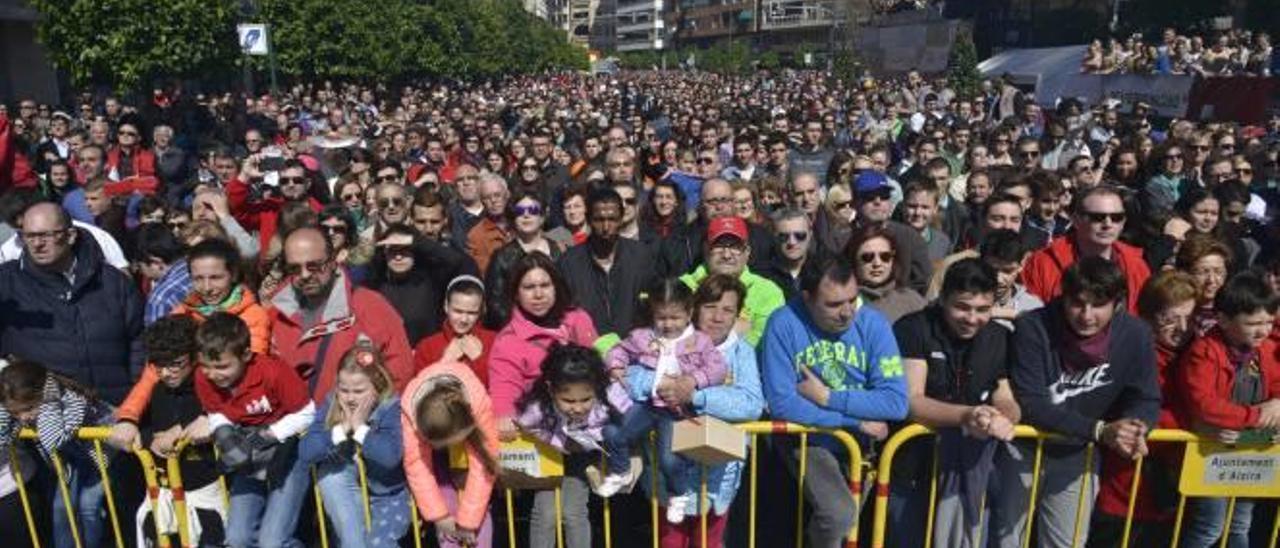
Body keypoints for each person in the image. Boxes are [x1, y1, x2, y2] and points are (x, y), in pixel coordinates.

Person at [993, 257, 1161, 548]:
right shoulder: (1034, 327)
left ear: (1117, 304)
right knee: (1006, 541)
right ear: (1063, 298)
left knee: (1067, 542)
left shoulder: (1136, 334)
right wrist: (1100, 431)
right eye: (1077, 303)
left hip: (1078, 454)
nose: (1086, 315)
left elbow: (1145, 396)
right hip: (1023, 447)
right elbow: (1032, 403)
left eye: (1098, 305)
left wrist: (1135, 427)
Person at [759, 255, 908, 548]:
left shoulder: (873, 324)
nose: (847, 312)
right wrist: (852, 420)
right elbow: (783, 403)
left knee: (845, 529)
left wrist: (827, 397)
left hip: (860, 445)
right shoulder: (784, 323)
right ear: (807, 297)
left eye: (852, 299)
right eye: (833, 304)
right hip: (809, 439)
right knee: (839, 514)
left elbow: (895, 403)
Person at [888, 258, 1020, 548]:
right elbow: (912, 400)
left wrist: (1003, 418)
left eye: (983, 310)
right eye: (962, 307)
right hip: (913, 466)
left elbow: (1006, 397)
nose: (972, 318)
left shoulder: (998, 337)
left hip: (973, 469)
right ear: (943, 298)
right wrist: (968, 415)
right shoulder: (914, 328)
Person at [626, 274, 764, 547]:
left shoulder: (741, 353)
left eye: (728, 310)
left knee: (709, 542)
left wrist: (696, 395)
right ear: (693, 309)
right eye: (710, 307)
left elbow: (751, 403)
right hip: (668, 473)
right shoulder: (661, 339)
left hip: (718, 475)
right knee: (671, 541)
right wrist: (661, 385)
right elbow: (629, 378)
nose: (718, 317)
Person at [600, 279, 728, 521]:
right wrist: (616, 366)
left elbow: (719, 368)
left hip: (675, 411)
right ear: (653, 314)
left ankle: (678, 495)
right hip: (647, 405)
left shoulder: (700, 341)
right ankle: (621, 471)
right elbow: (618, 350)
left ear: (689, 313)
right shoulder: (642, 337)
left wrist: (693, 380)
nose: (668, 324)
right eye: (662, 318)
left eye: (675, 318)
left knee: (669, 461)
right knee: (613, 433)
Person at [1089, 271, 1198, 548]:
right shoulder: (1131, 352)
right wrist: (1193, 420)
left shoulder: (1195, 354)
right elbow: (1129, 413)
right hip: (1125, 489)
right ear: (1149, 317)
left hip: (1171, 488)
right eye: (1170, 318)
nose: (1182, 327)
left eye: (1190, 317)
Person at [0, 202, 143, 404]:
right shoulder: (6, 283)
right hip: (40, 419)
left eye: (46, 235)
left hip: (116, 413)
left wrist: (134, 402)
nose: (37, 244)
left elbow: (139, 340)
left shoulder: (112, 282)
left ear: (70, 235)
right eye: (29, 236)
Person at [1175, 272, 1280, 548]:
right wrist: (1256, 417)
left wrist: (1278, 403)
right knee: (1209, 526)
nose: (1264, 330)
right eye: (1253, 323)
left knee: (1240, 523)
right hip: (1213, 452)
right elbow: (1204, 404)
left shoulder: (1266, 350)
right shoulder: (1204, 351)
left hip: (1252, 450)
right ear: (1223, 320)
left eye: (1269, 321)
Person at [195, 313, 315, 548]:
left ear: (246, 355)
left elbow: (307, 413)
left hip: (288, 450)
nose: (213, 374)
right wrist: (223, 433)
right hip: (247, 453)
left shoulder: (273, 371)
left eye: (222, 366)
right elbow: (216, 410)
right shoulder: (204, 378)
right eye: (206, 366)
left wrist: (266, 436)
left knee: (272, 542)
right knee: (238, 538)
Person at [269, 227, 415, 399]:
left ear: (332, 261)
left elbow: (400, 374)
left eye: (314, 266)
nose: (305, 274)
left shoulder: (371, 307)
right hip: (293, 421)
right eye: (295, 268)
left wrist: (370, 418)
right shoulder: (277, 313)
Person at [515, 343, 633, 548]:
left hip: (584, 459)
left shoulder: (609, 397)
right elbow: (526, 425)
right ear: (551, 389)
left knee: (573, 511)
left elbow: (629, 419)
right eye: (568, 401)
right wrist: (555, 442)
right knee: (544, 513)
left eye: (586, 399)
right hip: (550, 457)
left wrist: (593, 439)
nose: (578, 408)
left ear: (597, 387)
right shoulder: (538, 408)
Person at [299, 343, 410, 548]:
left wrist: (359, 428)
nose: (350, 398)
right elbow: (306, 451)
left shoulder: (390, 407)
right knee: (329, 475)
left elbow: (390, 457)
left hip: (387, 495)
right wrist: (340, 430)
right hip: (350, 491)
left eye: (359, 391)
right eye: (344, 389)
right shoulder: (333, 402)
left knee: (379, 543)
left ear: (376, 385)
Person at [128, 316, 227, 547]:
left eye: (175, 364)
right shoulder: (158, 391)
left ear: (194, 357)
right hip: (165, 492)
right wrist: (149, 439)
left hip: (208, 494)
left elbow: (230, 413)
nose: (165, 372)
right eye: (158, 364)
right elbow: (142, 428)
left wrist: (182, 430)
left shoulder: (212, 387)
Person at [0, 357, 118, 548]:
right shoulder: (26, 407)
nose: (23, 418)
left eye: (27, 409)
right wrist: (6, 411)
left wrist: (50, 401)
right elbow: (2, 437)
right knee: (61, 510)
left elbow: (52, 438)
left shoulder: (68, 400)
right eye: (15, 413)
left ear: (40, 393)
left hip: (101, 459)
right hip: (71, 463)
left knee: (89, 507)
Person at [489, 252, 599, 440]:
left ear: (556, 286)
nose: (538, 294)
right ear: (516, 293)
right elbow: (504, 389)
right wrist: (505, 417)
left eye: (545, 285)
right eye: (529, 287)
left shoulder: (578, 318)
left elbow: (599, 363)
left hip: (588, 417)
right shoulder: (508, 340)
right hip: (544, 430)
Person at [401, 360, 499, 548]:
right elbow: (416, 465)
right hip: (436, 461)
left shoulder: (478, 402)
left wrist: (469, 521)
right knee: (446, 515)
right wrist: (438, 515)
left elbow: (486, 463)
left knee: (479, 517)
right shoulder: (409, 411)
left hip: (470, 441)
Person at [1022, 186, 1151, 312]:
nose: (1108, 224)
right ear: (1076, 220)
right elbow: (1032, 320)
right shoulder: (1043, 263)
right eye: (1097, 217)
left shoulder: (1136, 265)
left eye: (1116, 218)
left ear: (1123, 223)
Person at [557, 188, 657, 339]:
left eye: (612, 219)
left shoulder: (641, 256)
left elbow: (653, 303)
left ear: (621, 218)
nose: (606, 227)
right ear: (589, 219)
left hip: (635, 348)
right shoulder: (569, 263)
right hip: (589, 351)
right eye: (599, 220)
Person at [679, 216, 785, 346]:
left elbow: (766, 343)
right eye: (719, 245)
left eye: (735, 247)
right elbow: (671, 336)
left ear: (747, 252)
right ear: (706, 249)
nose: (727, 255)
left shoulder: (768, 292)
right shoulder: (682, 287)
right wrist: (734, 332)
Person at [366, 223, 478, 345]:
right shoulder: (375, 285)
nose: (398, 257)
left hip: (427, 355)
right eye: (392, 251)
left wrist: (415, 240)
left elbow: (456, 261)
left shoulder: (431, 279)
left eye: (404, 250)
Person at [483, 190, 565, 330]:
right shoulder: (502, 257)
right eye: (520, 211)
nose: (526, 215)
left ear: (542, 217)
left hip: (557, 327)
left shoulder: (559, 251)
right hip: (517, 331)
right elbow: (495, 305)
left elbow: (566, 294)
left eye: (533, 210)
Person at [414, 275, 496, 385]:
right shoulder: (426, 347)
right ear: (446, 306)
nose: (464, 319)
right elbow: (421, 391)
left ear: (481, 311)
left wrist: (479, 359)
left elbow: (500, 388)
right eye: (458, 311)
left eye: (472, 313)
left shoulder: (494, 341)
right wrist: (446, 361)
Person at [848, 224, 927, 323]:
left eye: (885, 257)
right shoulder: (844, 302)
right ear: (854, 261)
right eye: (867, 257)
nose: (877, 263)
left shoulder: (911, 300)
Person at [979, 229, 1044, 328]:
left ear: (1022, 264)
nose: (999, 279)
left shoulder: (1031, 306)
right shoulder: (963, 297)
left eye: (1008, 271)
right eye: (991, 270)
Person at [467, 173, 512, 275]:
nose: (493, 200)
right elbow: (484, 273)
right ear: (482, 201)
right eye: (487, 197)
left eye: (497, 195)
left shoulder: (521, 223)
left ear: (507, 195)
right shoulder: (476, 235)